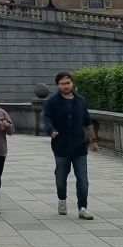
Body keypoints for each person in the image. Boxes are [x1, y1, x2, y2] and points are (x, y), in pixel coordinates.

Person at [43, 71, 98, 219]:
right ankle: (62, 199)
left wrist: (93, 141)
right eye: (62, 84)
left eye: (68, 83)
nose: (66, 86)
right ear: (58, 85)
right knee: (61, 177)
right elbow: (46, 119)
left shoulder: (80, 101)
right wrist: (52, 130)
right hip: (61, 146)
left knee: (83, 178)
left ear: (72, 83)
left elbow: (87, 122)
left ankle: (83, 207)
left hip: (80, 145)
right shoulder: (52, 102)